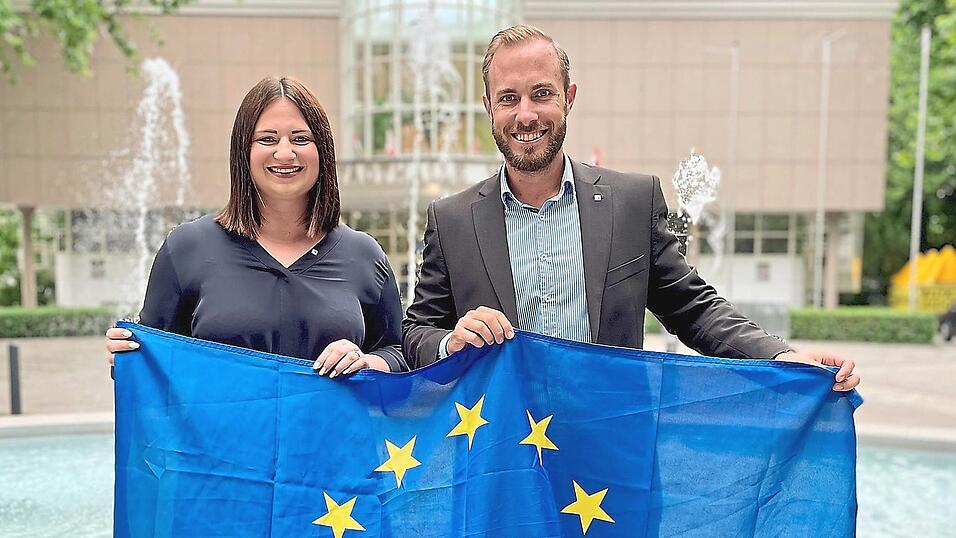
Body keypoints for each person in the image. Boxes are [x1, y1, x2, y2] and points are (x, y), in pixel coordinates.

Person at [402, 25, 859, 392]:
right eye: (508, 98)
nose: (526, 115)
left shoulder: (631, 203)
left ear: (569, 97)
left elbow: (693, 308)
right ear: (488, 106)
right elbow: (416, 332)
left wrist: (782, 357)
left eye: (541, 94)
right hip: (500, 455)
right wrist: (449, 341)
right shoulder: (452, 219)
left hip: (612, 452)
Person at [106, 76, 406, 376]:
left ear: (323, 151)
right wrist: (129, 355)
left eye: (301, 138)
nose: (285, 153)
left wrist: (368, 362)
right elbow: (154, 365)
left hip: (331, 423)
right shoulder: (186, 248)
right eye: (267, 139)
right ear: (243, 152)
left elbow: (400, 353)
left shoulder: (364, 255)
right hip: (222, 424)